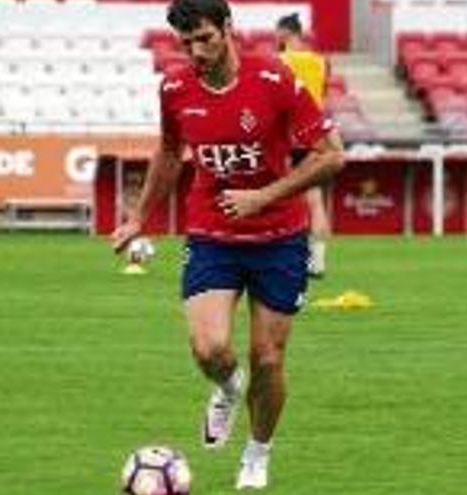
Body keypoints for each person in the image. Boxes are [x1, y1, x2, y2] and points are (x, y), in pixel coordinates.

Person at [110, 0, 344, 490]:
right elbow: (171, 153)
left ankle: (258, 454)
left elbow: (331, 157)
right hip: (213, 234)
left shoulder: (274, 80)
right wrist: (139, 216)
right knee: (210, 348)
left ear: (228, 29)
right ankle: (227, 388)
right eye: (186, 42)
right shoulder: (175, 89)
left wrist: (264, 196)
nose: (196, 51)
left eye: (205, 38)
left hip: (279, 237)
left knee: (268, 358)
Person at [275, 13, 332, 278]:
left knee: (276, 196)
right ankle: (318, 261)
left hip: (287, 136)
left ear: (285, 33)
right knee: (315, 202)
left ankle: (278, 257)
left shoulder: (280, 61)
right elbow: (322, 98)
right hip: (314, 137)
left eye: (277, 33)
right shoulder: (321, 62)